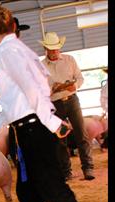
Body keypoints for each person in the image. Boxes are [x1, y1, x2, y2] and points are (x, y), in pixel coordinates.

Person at [0, 6, 104, 202]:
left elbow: (31, 89)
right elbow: (22, 94)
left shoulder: (6, 51)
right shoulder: (21, 49)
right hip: (26, 127)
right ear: (13, 26)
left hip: (34, 129)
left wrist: (52, 123)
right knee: (29, 195)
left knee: (56, 191)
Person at [39, 32, 95, 181]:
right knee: (59, 138)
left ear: (59, 48)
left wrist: (74, 86)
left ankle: (88, 168)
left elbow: (80, 78)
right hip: (55, 104)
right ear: (46, 49)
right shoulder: (41, 66)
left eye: (56, 48)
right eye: (51, 49)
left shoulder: (70, 60)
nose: (54, 52)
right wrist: (51, 90)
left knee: (81, 133)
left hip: (72, 100)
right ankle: (66, 171)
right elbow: (40, 89)